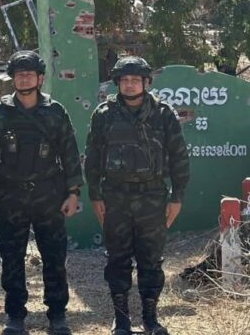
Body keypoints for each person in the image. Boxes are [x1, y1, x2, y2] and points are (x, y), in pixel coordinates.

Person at [0, 50, 83, 335]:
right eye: (19, 74)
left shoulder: (55, 112)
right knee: (12, 257)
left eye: (29, 74)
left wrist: (73, 193)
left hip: (49, 195)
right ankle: (15, 315)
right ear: (12, 78)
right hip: (12, 196)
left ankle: (57, 314)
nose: (24, 79)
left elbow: (70, 155)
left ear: (40, 78)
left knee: (54, 256)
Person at [85, 56, 190, 335]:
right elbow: (92, 158)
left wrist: (177, 197)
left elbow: (179, 157)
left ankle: (150, 318)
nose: (129, 85)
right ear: (117, 83)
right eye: (124, 80)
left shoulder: (163, 114)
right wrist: (95, 195)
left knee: (151, 260)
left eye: (135, 80)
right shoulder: (104, 114)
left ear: (146, 82)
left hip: (152, 197)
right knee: (117, 259)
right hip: (115, 197)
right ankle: (121, 319)